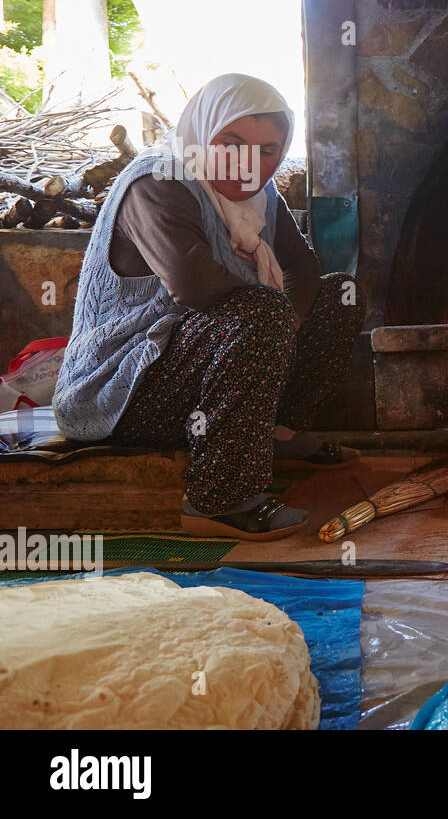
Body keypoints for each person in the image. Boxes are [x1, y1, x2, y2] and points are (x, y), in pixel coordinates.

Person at [53, 73, 365, 541]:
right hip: (124, 389)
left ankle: (274, 433)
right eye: (232, 142)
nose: (249, 163)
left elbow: (302, 266)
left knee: (340, 292)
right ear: (201, 134)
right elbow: (193, 286)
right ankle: (220, 498)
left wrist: (290, 322)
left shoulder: (259, 195)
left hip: (196, 366)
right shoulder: (159, 181)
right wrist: (275, 321)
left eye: (268, 150)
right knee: (261, 311)